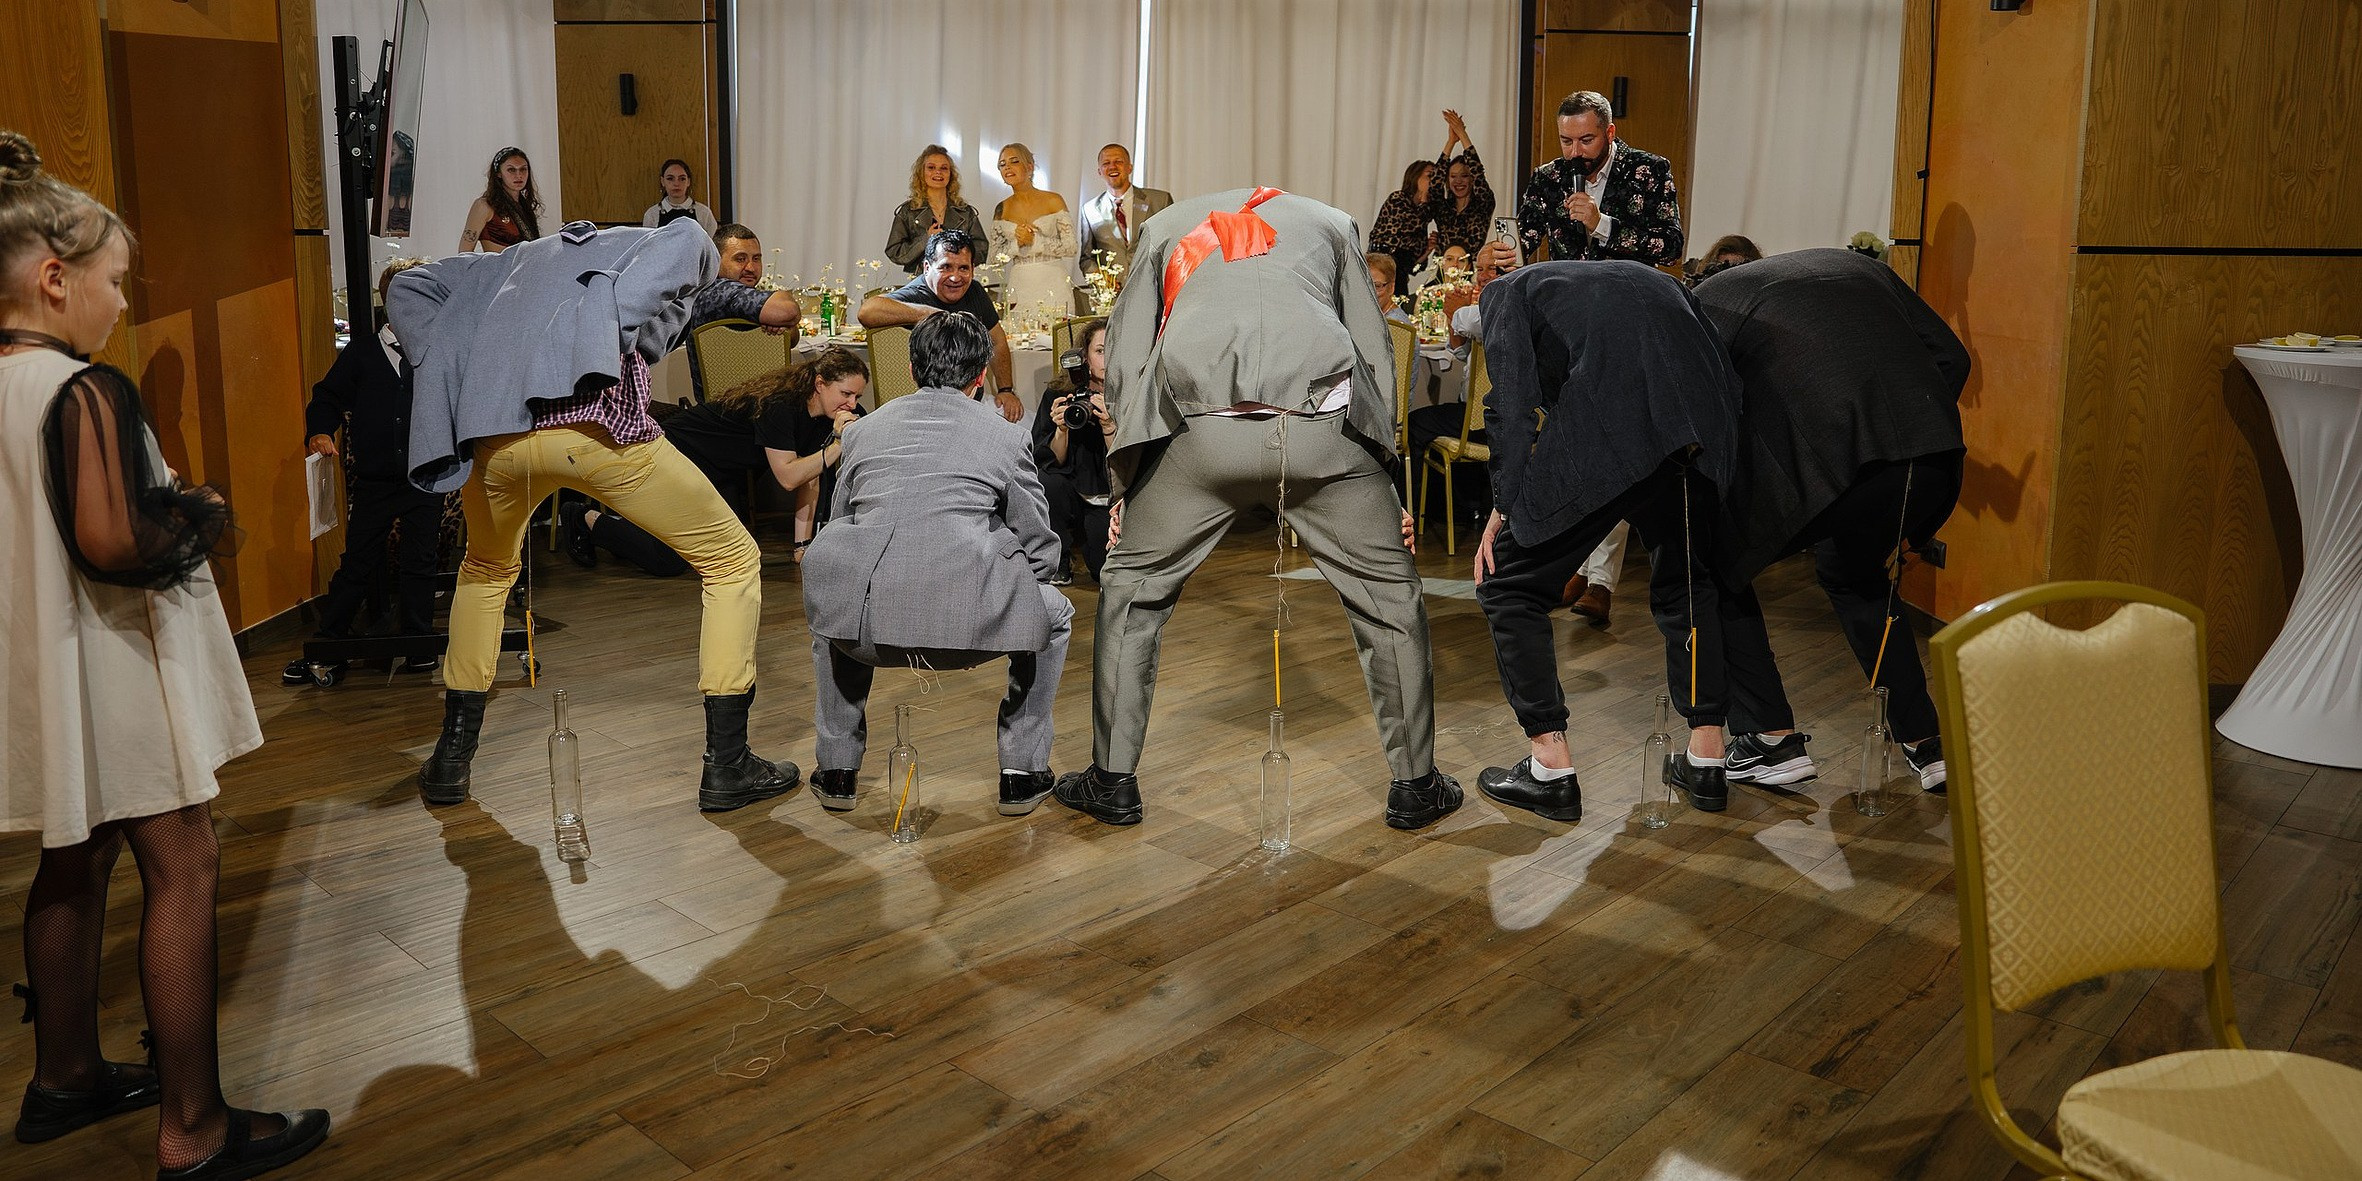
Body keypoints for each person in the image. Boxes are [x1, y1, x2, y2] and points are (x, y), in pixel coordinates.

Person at [0, 128, 329, 1179]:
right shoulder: (82, 389)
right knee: (182, 858)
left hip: (34, 664)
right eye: (114, 281)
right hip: (102, 662)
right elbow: (112, 542)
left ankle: (63, 1075)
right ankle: (194, 1125)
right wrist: (194, 508)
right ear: (55, 279)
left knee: (71, 853)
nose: (122, 303)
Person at [1055, 186, 1461, 831]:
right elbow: (1371, 348)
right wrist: (1384, 481)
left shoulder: (1162, 226)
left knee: (1131, 591)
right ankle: (1416, 784)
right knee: (1389, 597)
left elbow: (1126, 360)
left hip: (1199, 432)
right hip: (1318, 430)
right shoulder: (1334, 222)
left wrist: (1125, 479)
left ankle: (1111, 780)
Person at [391, 217, 799, 813]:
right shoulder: (646, 241)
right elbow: (690, 242)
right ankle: (727, 764)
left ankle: (451, 762)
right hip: (596, 433)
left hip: (498, 440)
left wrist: (460, 360)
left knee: (484, 572)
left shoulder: (505, 263)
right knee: (732, 559)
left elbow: (406, 290)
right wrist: (606, 325)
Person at [1470, 261, 1744, 824]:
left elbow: (1514, 408)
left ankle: (1549, 766)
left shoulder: (1502, 294)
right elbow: (1722, 368)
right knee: (1689, 586)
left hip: (1617, 424)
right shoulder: (1650, 277)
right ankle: (1708, 756)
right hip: (1700, 429)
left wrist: (1504, 505)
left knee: (1507, 583)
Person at [1694, 247, 1969, 792]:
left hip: (1838, 463)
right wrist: (1907, 431)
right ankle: (1926, 742)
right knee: (1854, 574)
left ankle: (1770, 738)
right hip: (1935, 454)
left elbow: (1699, 412)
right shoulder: (1861, 268)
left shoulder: (1701, 305)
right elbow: (1954, 360)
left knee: (1711, 566)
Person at [801, 311, 1072, 818]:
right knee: (1054, 615)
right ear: (979, 377)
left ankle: (837, 768)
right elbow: (1038, 541)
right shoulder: (1006, 436)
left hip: (868, 633)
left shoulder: (861, 432)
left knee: (833, 603)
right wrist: (1016, 593)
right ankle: (1021, 770)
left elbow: (839, 529)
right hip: (972, 631)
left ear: (909, 370)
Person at [282, 257, 450, 687]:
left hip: (425, 474)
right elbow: (327, 397)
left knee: (420, 559)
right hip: (375, 479)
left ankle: (417, 640)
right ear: (388, 302)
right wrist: (320, 431)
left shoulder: (435, 349)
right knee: (357, 560)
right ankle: (330, 639)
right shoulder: (361, 352)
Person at [566, 347, 868, 572]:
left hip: (722, 472)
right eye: (845, 393)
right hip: (681, 453)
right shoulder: (782, 406)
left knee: (727, 550)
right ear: (819, 384)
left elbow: (809, 477)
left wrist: (802, 548)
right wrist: (841, 444)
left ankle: (639, 531)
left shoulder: (827, 417)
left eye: (857, 396)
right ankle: (585, 518)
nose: (852, 404)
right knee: (667, 563)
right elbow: (789, 477)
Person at [858, 229, 1023, 422]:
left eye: (963, 268)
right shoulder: (916, 293)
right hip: (921, 410)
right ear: (927, 267)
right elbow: (867, 312)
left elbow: (997, 341)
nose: (955, 277)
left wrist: (1006, 390)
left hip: (970, 406)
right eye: (946, 267)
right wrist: (930, 314)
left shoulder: (975, 291)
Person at [1516, 91, 1682, 266]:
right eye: (1566, 141)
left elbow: (1671, 248)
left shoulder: (1650, 170)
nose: (1575, 152)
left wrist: (1602, 225)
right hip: (1567, 291)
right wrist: (1500, 255)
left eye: (1586, 140)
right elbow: (1524, 240)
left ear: (1609, 133)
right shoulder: (1548, 176)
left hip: (1627, 290)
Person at [1031, 318, 1116, 583]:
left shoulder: (1131, 393)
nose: (1107, 356)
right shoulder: (1061, 394)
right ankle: (1060, 557)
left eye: (1113, 348)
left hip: (1111, 492)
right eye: (1100, 351)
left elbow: (1128, 464)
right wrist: (1062, 429)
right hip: (1071, 487)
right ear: (1085, 358)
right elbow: (1049, 460)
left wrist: (1109, 426)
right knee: (1046, 483)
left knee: (1102, 573)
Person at [681, 223, 803, 401]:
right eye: (740, 259)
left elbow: (791, 338)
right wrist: (783, 297)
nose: (751, 268)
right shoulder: (721, 291)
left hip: (741, 408)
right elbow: (789, 312)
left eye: (756, 259)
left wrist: (782, 327)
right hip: (737, 412)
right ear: (716, 260)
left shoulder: (741, 298)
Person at [987, 143, 1078, 324]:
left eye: (1014, 161)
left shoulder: (1053, 199)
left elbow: (1071, 247)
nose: (1007, 168)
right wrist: (1017, 244)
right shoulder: (1002, 208)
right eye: (1002, 164)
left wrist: (1036, 240)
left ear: (1029, 167)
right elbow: (994, 257)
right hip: (1020, 283)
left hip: (1053, 279)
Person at [884, 145, 988, 276]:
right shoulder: (908, 211)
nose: (938, 172)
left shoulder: (965, 211)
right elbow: (894, 252)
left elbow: (982, 249)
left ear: (951, 174)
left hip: (958, 282)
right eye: (931, 167)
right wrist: (926, 240)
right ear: (921, 173)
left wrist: (959, 255)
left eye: (944, 168)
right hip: (921, 283)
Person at [1077, 144, 1172, 280]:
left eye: (1118, 162)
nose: (1112, 167)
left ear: (1130, 168)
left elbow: (1172, 247)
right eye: (1106, 163)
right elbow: (1087, 259)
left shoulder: (1160, 200)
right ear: (1099, 171)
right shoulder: (1089, 210)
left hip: (1152, 286)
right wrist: (1100, 278)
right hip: (1114, 294)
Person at [1425, 109, 1495, 254]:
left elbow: (1478, 173)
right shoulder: (1443, 208)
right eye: (1453, 176)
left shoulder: (1483, 203)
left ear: (1471, 179)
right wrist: (1451, 141)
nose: (1458, 181)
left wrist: (1462, 134)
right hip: (1442, 273)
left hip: (1472, 270)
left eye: (1464, 176)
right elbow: (1435, 183)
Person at [458, 146, 542, 254]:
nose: (519, 175)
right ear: (498, 173)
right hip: (499, 269)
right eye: (511, 170)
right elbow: (464, 252)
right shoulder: (484, 205)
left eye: (523, 169)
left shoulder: (524, 205)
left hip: (527, 268)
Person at [1368, 160, 1432, 298]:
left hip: (1399, 274)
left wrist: (1428, 251)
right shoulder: (1398, 199)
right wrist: (1425, 200)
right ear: (1415, 177)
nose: (1433, 182)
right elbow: (1408, 227)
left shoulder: (1422, 213)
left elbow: (1415, 266)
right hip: (1380, 266)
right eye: (1429, 176)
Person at [642, 158, 717, 235]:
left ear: (688, 182)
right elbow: (649, 245)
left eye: (682, 179)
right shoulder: (652, 214)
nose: (676, 183)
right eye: (670, 179)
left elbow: (711, 245)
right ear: (662, 181)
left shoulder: (703, 213)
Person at [1365, 252, 1409, 324]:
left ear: (1391, 288)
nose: (1370, 292)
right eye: (1365, 286)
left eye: (1377, 286)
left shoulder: (1395, 324)